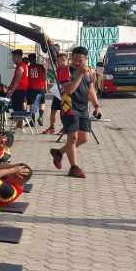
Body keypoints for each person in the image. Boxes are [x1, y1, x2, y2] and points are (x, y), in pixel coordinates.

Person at [50, 46, 101, 178]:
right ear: (71, 58)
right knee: (73, 138)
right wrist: (80, 74)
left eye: (81, 60)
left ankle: (59, 152)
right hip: (68, 107)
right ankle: (74, 167)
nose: (77, 63)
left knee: (84, 138)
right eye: (75, 60)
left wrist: (96, 105)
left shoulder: (89, 72)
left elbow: (91, 90)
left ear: (86, 59)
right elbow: (69, 90)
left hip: (83, 108)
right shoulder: (64, 70)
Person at [43, 52, 72, 134]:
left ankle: (65, 127)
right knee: (53, 110)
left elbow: (71, 81)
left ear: (67, 60)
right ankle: (51, 127)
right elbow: (54, 80)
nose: (61, 62)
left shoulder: (69, 69)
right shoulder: (57, 70)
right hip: (57, 93)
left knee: (64, 111)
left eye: (63, 60)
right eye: (59, 61)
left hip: (66, 94)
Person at [7, 49, 29, 128]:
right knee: (18, 107)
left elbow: (17, 81)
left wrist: (11, 91)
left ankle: (20, 124)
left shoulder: (21, 67)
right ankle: (19, 123)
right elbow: (14, 79)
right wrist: (10, 87)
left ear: (18, 57)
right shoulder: (21, 66)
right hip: (21, 90)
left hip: (19, 90)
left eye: (13, 57)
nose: (12, 59)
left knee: (17, 108)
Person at [27, 53, 47, 123]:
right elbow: (45, 78)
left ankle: (32, 121)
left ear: (29, 60)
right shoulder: (41, 67)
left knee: (32, 104)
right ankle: (40, 117)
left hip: (31, 88)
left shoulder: (28, 67)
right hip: (40, 87)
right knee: (42, 103)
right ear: (35, 59)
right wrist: (45, 88)